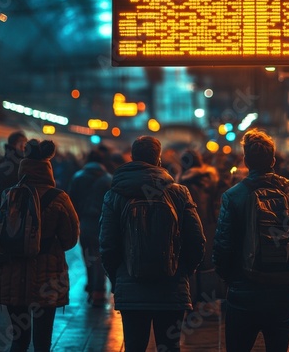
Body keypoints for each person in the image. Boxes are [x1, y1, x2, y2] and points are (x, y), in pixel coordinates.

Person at [212, 128, 289, 352]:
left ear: (246, 161)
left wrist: (230, 277)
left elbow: (223, 246)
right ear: (273, 159)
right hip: (284, 289)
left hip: (243, 289)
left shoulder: (233, 196)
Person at [99, 136, 206, 352]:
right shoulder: (178, 192)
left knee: (135, 347)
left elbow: (107, 245)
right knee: (169, 346)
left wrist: (119, 276)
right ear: (158, 159)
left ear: (133, 156)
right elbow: (197, 240)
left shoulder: (115, 195)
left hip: (131, 288)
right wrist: (184, 270)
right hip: (171, 287)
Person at [0, 139, 79, 352]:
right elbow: (70, 240)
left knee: (19, 338)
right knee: (42, 342)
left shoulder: (9, 195)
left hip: (12, 274)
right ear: (47, 168)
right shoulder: (59, 198)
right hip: (47, 278)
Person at [68, 149, 112, 306]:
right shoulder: (108, 179)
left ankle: (92, 285)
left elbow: (71, 201)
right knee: (100, 256)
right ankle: (98, 290)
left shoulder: (78, 177)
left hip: (85, 222)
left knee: (88, 255)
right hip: (102, 223)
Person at [179, 148, 222, 304]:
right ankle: (209, 299)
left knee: (191, 264)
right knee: (208, 264)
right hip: (211, 226)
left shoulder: (184, 183)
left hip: (191, 226)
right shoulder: (212, 179)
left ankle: (193, 300)